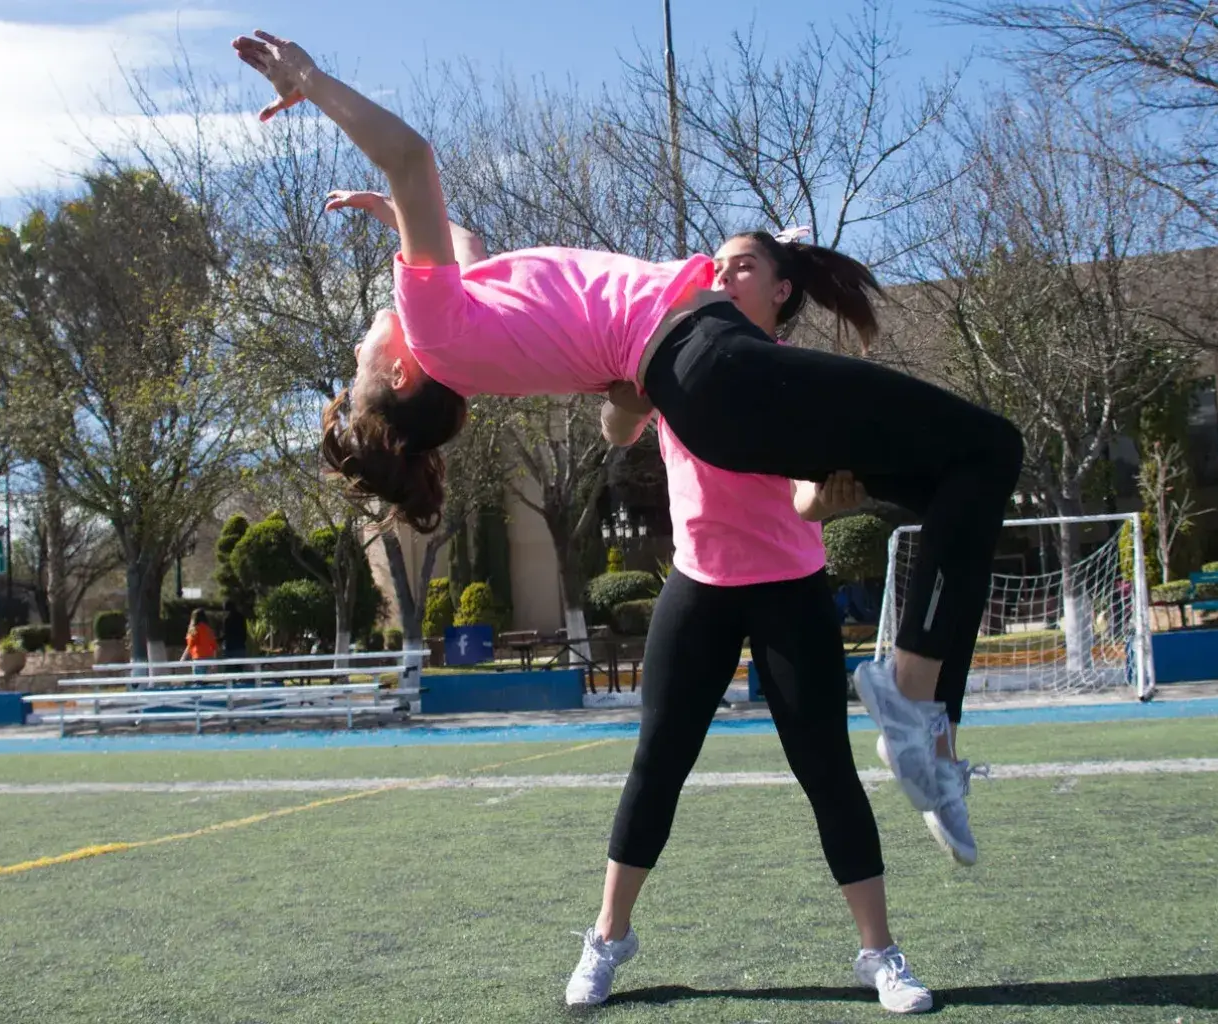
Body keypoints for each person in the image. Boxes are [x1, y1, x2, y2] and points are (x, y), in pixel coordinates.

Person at [233, 30, 1023, 867]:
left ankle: (929, 723)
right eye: (360, 361)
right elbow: (412, 155)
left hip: (705, 383)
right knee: (988, 449)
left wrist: (389, 212)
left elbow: (457, 237)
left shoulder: (464, 316)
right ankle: (911, 705)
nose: (359, 343)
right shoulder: (431, 326)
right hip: (706, 361)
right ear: (397, 370)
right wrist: (313, 83)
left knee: (967, 475)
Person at [329, 190, 934, 1011]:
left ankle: (882, 954)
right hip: (700, 587)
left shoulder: (786, 385)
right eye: (715, 264)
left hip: (788, 589)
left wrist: (832, 502)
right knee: (656, 768)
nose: (720, 273)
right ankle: (608, 939)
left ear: (780, 291)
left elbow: (801, 501)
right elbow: (617, 430)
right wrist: (631, 387)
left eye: (742, 266)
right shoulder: (682, 357)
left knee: (825, 768)